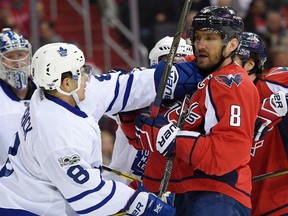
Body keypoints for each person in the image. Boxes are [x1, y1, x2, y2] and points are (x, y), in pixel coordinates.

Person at [0, 41, 204, 215]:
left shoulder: (56, 94)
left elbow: (118, 86)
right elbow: (89, 195)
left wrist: (166, 78)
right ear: (66, 82)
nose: (88, 77)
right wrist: (141, 202)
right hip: (26, 208)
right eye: (81, 72)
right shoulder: (57, 132)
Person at [121, 6, 260, 215]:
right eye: (197, 37)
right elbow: (143, 137)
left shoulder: (233, 84)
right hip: (167, 191)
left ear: (232, 44)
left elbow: (226, 155)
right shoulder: (184, 71)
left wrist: (173, 140)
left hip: (214, 194)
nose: (201, 45)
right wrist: (129, 112)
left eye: (210, 38)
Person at [102, 36, 194, 184]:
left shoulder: (193, 100)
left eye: (181, 64)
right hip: (126, 187)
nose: (175, 70)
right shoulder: (140, 90)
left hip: (171, 185)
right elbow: (109, 105)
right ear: (155, 64)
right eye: (169, 62)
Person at [234, 32, 288, 216]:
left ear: (250, 64)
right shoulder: (216, 93)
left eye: (231, 59)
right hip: (242, 202)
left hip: (279, 197)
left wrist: (280, 102)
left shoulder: (272, 83)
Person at [0, 27, 37, 166]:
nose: (17, 62)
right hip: (7, 183)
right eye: (9, 56)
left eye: (21, 54)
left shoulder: (45, 91)